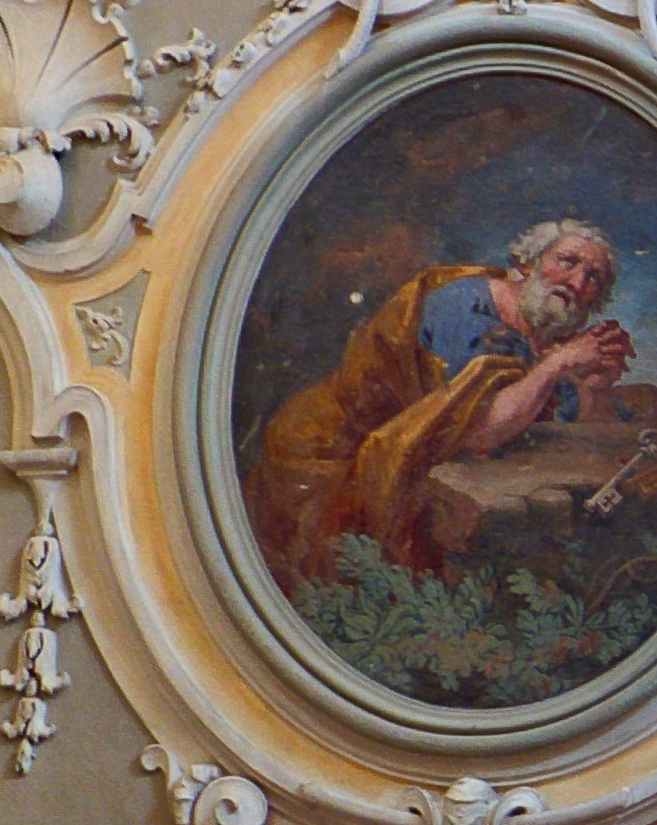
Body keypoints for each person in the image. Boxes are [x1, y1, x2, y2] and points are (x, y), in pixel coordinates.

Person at [243, 218, 636, 588]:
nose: (577, 280)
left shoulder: (550, 340)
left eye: (593, 278)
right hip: (328, 455)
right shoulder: (466, 304)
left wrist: (596, 387)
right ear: (526, 263)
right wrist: (560, 365)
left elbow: (573, 437)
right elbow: (478, 431)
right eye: (566, 261)